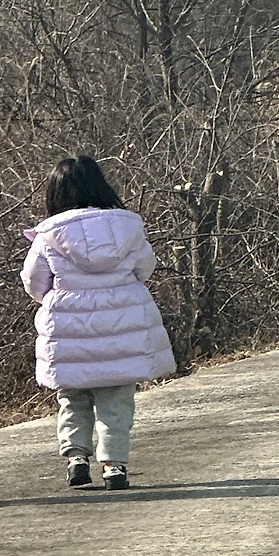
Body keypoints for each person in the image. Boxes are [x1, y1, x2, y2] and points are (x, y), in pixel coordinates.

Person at [22, 153, 175, 490]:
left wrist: (56, 299)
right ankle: (114, 466)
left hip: (69, 333)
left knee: (72, 397)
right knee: (115, 402)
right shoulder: (127, 228)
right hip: (121, 330)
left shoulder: (49, 236)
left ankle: (76, 458)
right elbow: (145, 269)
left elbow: (34, 281)